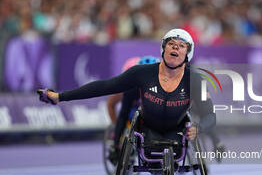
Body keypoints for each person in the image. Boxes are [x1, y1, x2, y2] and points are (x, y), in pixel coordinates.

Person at [38, 28, 216, 158]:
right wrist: (60, 96)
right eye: (171, 44)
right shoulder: (141, 73)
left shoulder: (196, 80)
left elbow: (210, 115)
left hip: (177, 134)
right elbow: (104, 86)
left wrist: (197, 129)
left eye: (181, 46)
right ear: (163, 48)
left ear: (188, 54)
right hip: (147, 132)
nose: (175, 48)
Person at [108, 56, 159, 164]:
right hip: (134, 111)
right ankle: (119, 144)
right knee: (129, 116)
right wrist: (116, 142)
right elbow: (120, 113)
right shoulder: (128, 90)